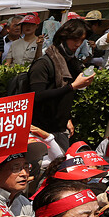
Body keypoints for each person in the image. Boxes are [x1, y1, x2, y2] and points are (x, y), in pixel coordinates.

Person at [28, 20, 93, 150]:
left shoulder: (71, 62)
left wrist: (67, 118)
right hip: (40, 130)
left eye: (82, 40)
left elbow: (64, 96)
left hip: (60, 128)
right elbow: (37, 96)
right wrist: (72, 86)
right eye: (75, 39)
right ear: (64, 37)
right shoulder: (43, 63)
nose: (78, 44)